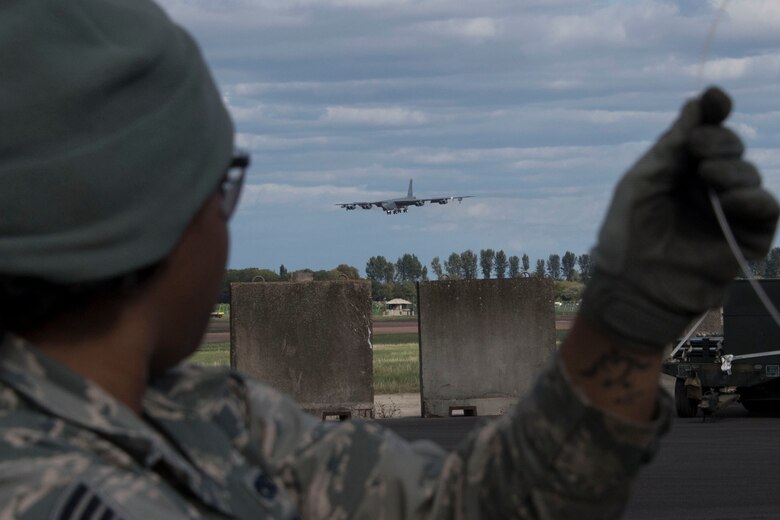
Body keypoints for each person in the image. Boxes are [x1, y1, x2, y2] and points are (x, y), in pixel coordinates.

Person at [0, 0, 776, 518]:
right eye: (219, 183)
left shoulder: (221, 421)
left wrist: (621, 327)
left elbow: (474, 507)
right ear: (156, 215)